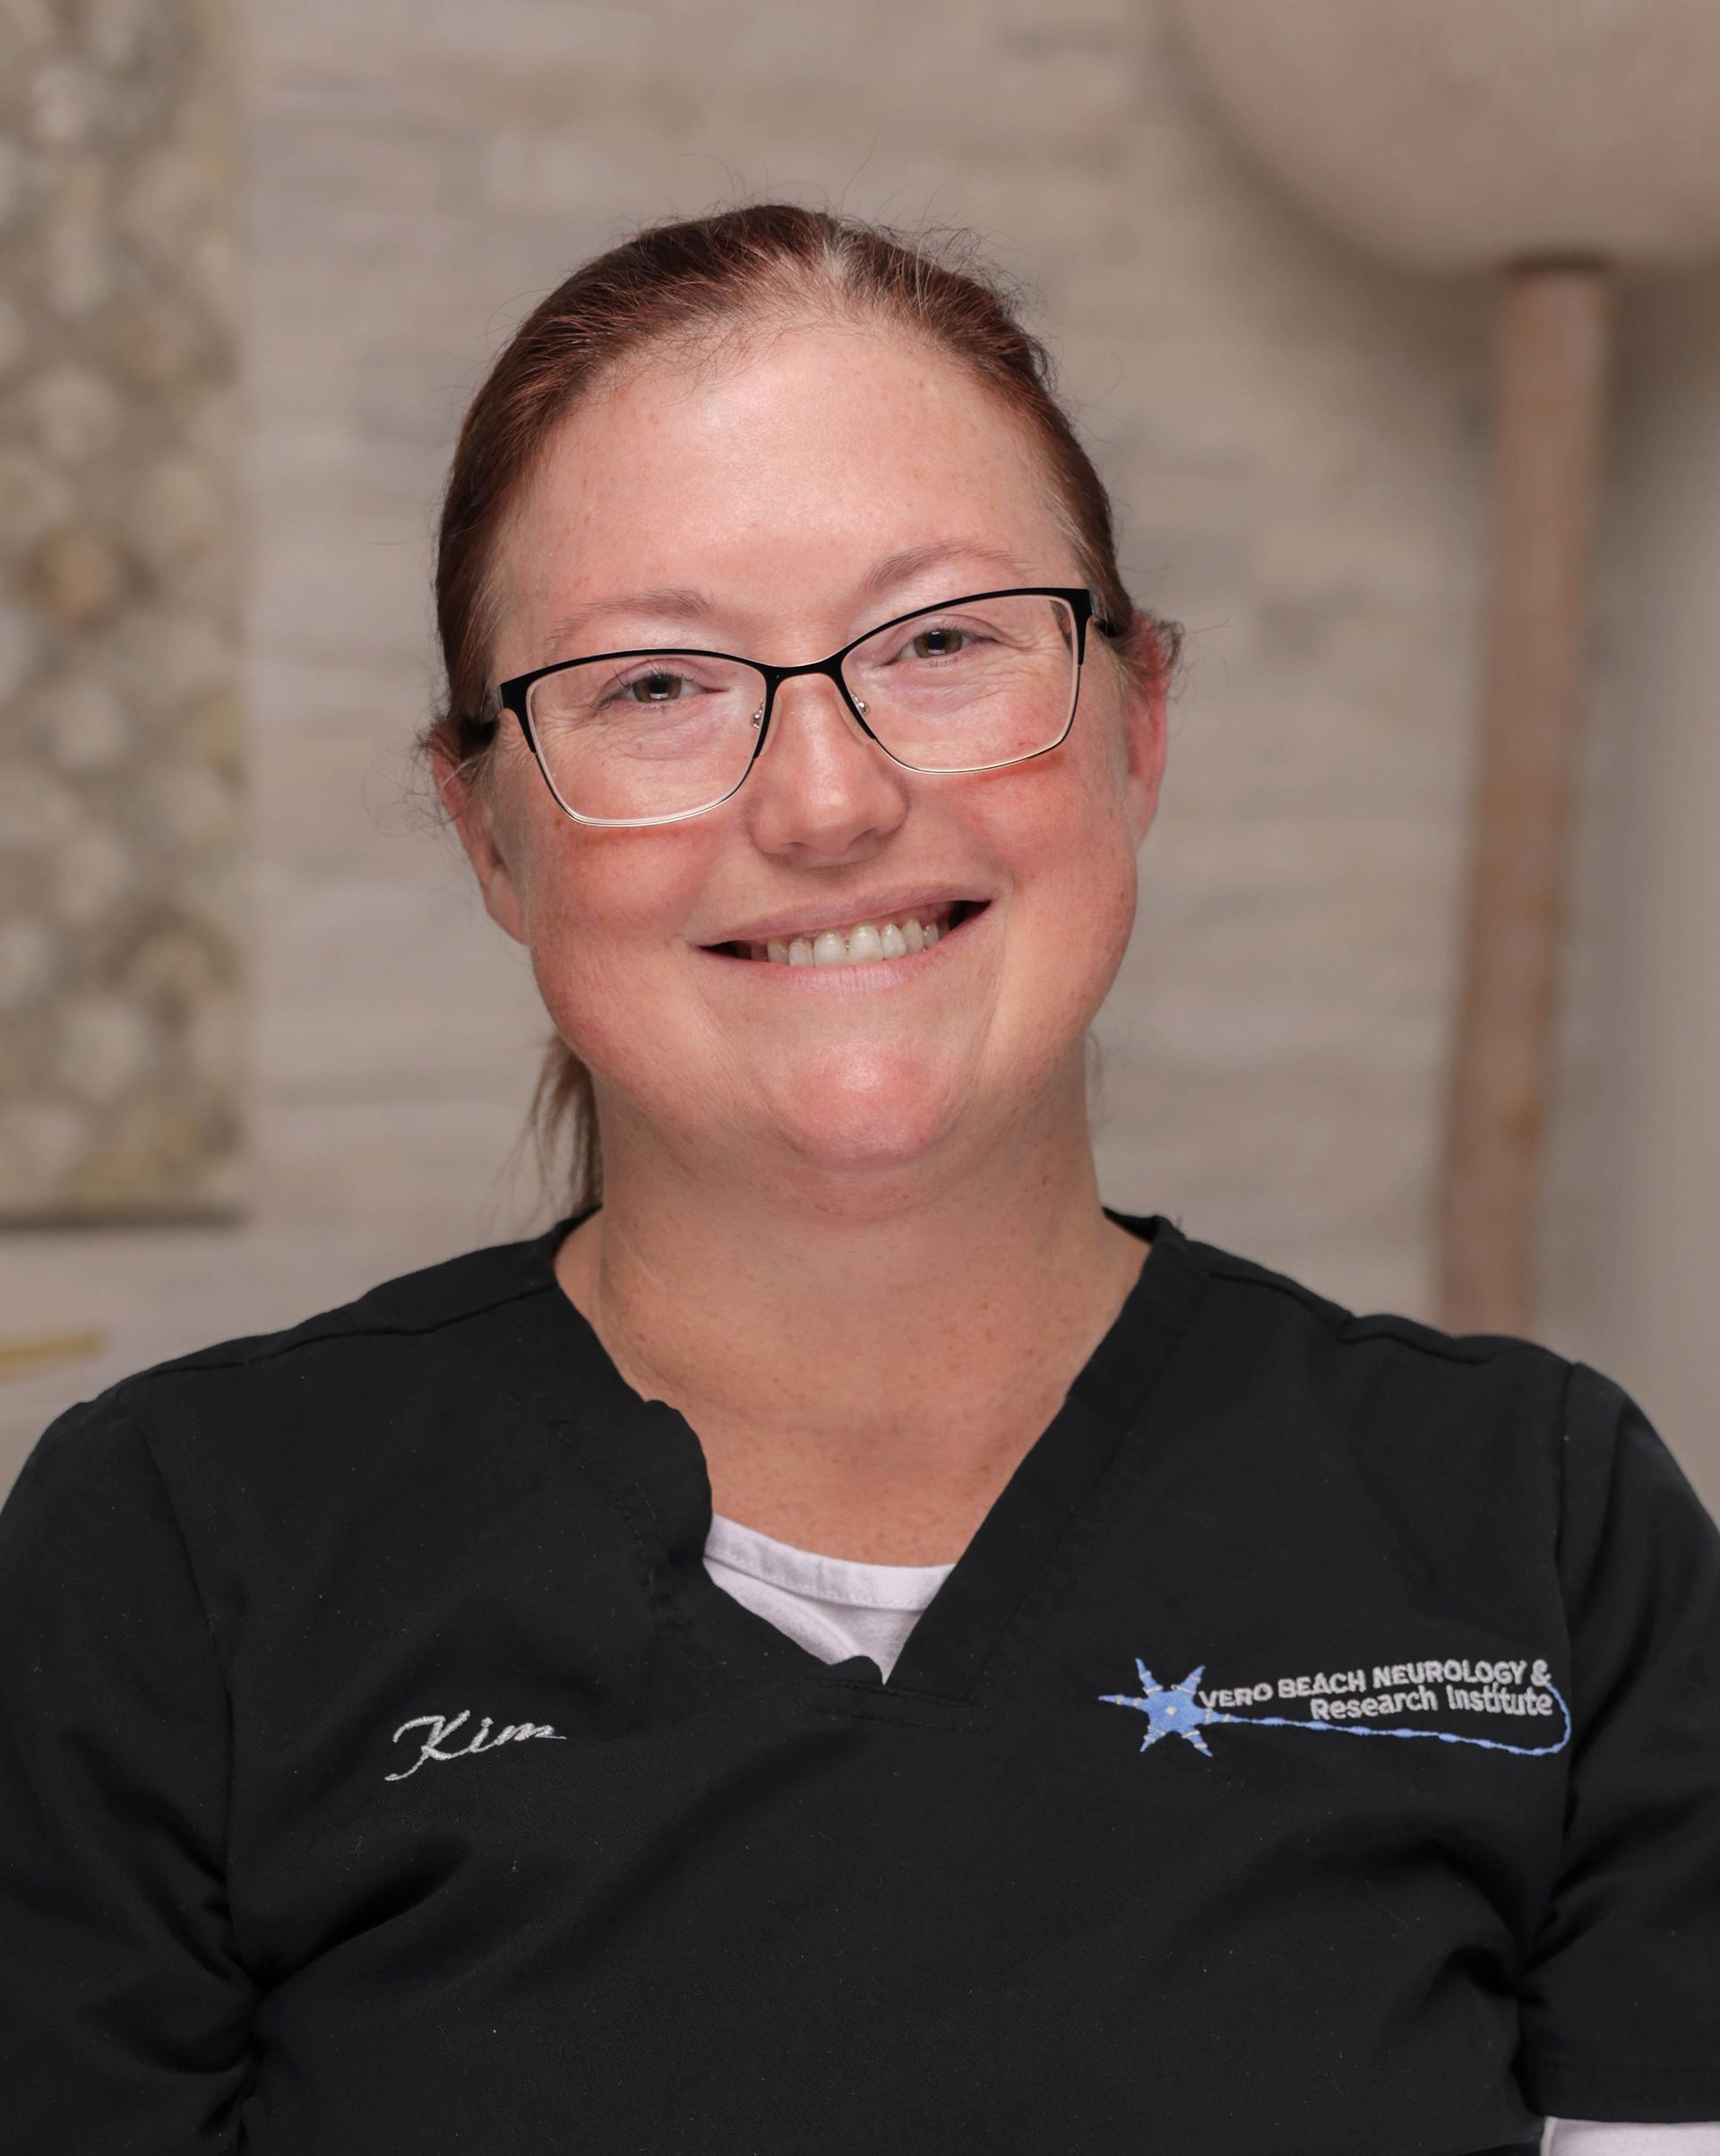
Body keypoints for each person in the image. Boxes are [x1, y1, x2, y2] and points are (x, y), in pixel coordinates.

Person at [1, 203, 1716, 2156]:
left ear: (1141, 716)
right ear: (487, 831)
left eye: (949, 641)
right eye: (653, 683)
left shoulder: (1545, 1534)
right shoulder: (176, 1563)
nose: (826, 800)